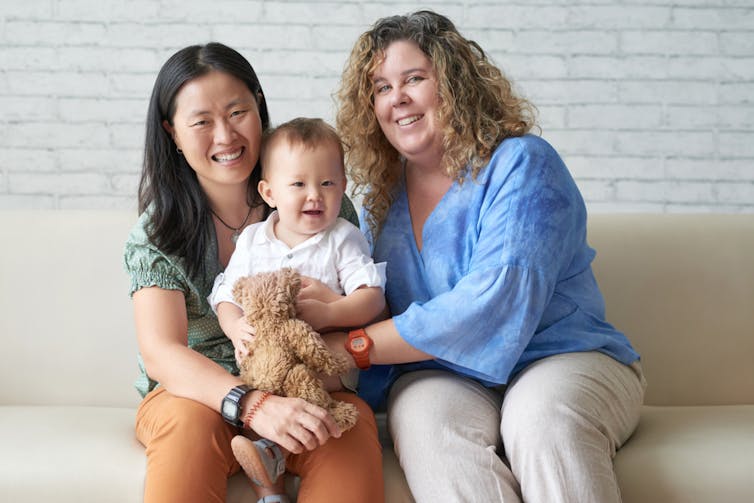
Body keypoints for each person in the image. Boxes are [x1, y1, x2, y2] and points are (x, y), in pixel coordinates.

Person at [329, 10, 646, 503]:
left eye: (415, 78)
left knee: (540, 417)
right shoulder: (381, 200)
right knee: (421, 418)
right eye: (381, 87)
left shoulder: (522, 164)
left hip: (564, 358)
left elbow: (490, 304)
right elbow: (367, 297)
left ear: (454, 85)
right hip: (448, 374)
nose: (399, 99)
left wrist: (356, 347)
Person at [123, 43, 383, 503]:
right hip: (193, 394)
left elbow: (362, 313)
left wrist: (326, 338)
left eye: (237, 111)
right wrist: (252, 403)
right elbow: (162, 352)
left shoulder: (322, 204)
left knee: (348, 431)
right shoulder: (158, 233)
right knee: (188, 427)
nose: (225, 136)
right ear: (173, 133)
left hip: (308, 376)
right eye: (201, 121)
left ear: (259, 109)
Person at [207, 117, 386, 494]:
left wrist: (332, 311)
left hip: (324, 365)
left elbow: (372, 297)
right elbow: (225, 294)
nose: (315, 196)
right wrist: (236, 328)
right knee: (260, 403)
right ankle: (269, 489)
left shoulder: (342, 238)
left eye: (327, 183)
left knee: (315, 398)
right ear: (269, 192)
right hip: (266, 367)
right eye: (298, 184)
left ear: (343, 187)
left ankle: (278, 452)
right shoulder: (254, 239)